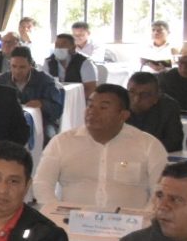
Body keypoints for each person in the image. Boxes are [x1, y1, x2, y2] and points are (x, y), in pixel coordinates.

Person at [32, 84, 168, 211]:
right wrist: (56, 214)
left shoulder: (148, 145)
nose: (92, 112)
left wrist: (145, 219)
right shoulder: (62, 143)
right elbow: (42, 183)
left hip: (132, 225)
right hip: (70, 222)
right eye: (90, 105)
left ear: (123, 115)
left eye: (103, 108)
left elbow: (162, 190)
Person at [0, 47, 64, 142]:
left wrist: (42, 104)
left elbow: (57, 109)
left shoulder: (45, 80)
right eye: (14, 66)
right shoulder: (2, 81)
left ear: (30, 65)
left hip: (43, 122)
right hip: (11, 122)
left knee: (49, 136)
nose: (17, 71)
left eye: (22, 67)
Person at [125, 71, 184, 152]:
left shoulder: (168, 107)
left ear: (156, 97)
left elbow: (174, 143)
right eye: (132, 92)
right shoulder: (119, 104)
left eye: (144, 95)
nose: (136, 99)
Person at [45, 33, 97, 97]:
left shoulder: (85, 63)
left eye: (63, 45)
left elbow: (90, 89)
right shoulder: (49, 62)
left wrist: (70, 99)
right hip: (54, 99)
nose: (59, 48)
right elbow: (44, 85)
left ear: (73, 47)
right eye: (57, 45)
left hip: (78, 99)